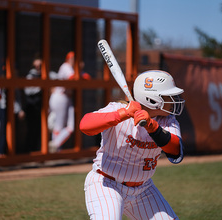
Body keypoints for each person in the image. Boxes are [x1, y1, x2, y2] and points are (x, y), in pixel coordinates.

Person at [80, 70, 185, 219]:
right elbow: (85, 125)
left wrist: (152, 127)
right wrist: (123, 114)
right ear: (153, 100)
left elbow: (175, 151)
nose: (174, 99)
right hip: (106, 184)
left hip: (143, 189)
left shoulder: (167, 120)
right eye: (169, 96)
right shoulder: (118, 109)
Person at [48, 51, 75, 152]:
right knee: (58, 126)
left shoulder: (73, 68)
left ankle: (55, 145)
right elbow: (71, 77)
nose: (73, 61)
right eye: (72, 59)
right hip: (60, 97)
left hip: (65, 98)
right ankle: (56, 148)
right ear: (68, 59)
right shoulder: (66, 66)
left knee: (70, 127)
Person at [24, 58, 42, 152]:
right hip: (31, 106)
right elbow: (27, 91)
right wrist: (39, 88)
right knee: (31, 129)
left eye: (40, 66)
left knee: (38, 130)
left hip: (39, 107)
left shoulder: (43, 75)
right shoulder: (31, 75)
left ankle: (35, 150)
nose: (38, 68)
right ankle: (29, 150)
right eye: (37, 66)